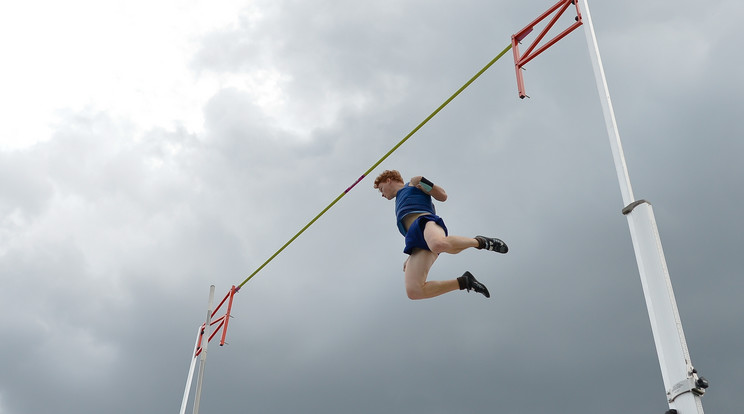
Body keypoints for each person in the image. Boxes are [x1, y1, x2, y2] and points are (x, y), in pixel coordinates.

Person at [373, 169, 508, 300]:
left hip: (425, 222)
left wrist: (426, 185)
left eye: (381, 189)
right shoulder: (398, 202)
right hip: (414, 239)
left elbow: (442, 196)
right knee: (414, 291)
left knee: (438, 244)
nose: (382, 194)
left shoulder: (413, 183)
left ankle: (482, 242)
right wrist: (410, 257)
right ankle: (464, 282)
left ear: (388, 180)